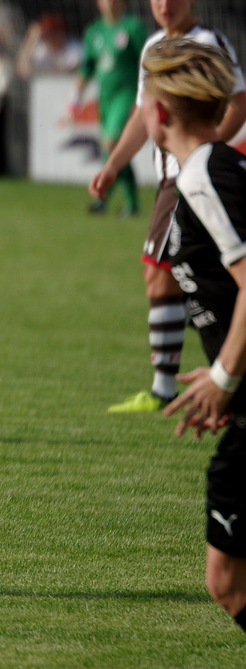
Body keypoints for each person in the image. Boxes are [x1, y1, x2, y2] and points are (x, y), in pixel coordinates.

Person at [93, 0, 246, 413]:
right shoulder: (153, 46)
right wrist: (115, 163)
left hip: (190, 178)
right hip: (170, 179)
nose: (165, 2)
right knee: (175, 276)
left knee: (171, 276)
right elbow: (146, 115)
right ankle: (188, 380)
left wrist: (205, 147)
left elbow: (238, 100)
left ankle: (176, 385)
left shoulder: (206, 41)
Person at [136, 38, 246, 638]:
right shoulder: (214, 168)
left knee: (227, 583)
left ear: (159, 113)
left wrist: (226, 376)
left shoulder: (205, 174)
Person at [77, 0, 146, 217]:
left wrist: (143, 95)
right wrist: (75, 95)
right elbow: (87, 66)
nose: (109, 1)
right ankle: (131, 204)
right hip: (104, 98)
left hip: (126, 95)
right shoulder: (93, 31)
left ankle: (102, 198)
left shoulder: (133, 27)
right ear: (97, 0)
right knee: (113, 148)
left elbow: (145, 61)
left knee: (112, 143)